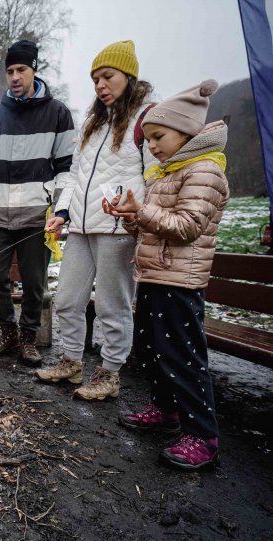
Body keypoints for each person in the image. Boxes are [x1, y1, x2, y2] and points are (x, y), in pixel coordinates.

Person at [107, 80, 229, 470]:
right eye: (147, 140)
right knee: (151, 351)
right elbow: (154, 227)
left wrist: (142, 212)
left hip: (180, 282)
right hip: (155, 276)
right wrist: (131, 217)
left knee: (182, 356)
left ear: (187, 131)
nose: (152, 146)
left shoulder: (205, 171)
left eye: (158, 137)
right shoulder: (168, 171)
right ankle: (166, 411)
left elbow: (188, 225)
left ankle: (203, 436)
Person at [36, 40, 157, 400]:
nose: (101, 86)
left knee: (111, 305)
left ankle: (109, 373)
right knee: (68, 299)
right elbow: (74, 175)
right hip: (81, 227)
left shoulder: (146, 118)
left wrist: (141, 213)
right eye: (96, 80)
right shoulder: (92, 123)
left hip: (119, 228)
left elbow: (156, 174)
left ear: (128, 76)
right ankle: (71, 363)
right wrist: (61, 212)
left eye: (108, 77)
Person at [0, 39, 75, 366]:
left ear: (34, 69)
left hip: (37, 216)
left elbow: (68, 170)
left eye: (21, 69)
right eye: (9, 70)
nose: (14, 76)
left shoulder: (58, 114)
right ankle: (8, 332)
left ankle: (28, 338)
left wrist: (62, 209)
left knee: (35, 283)